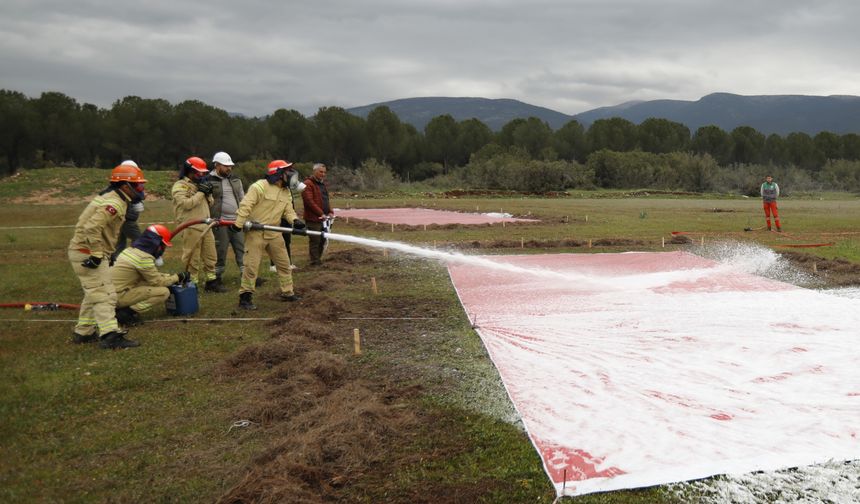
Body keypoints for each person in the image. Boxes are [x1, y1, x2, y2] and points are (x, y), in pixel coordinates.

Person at [68, 161, 145, 349]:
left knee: (93, 292)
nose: (141, 189)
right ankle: (110, 336)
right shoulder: (114, 202)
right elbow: (92, 227)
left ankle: (84, 332)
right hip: (87, 253)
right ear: (125, 185)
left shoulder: (113, 197)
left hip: (85, 251)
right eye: (138, 185)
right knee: (106, 294)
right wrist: (95, 254)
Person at [232, 160, 306, 310]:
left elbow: (288, 211)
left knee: (284, 264)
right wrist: (238, 224)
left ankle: (288, 292)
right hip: (255, 232)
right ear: (278, 173)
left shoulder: (286, 192)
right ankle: (245, 297)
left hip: (274, 232)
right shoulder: (259, 187)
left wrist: (295, 220)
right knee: (251, 266)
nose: (291, 175)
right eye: (287, 171)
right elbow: (246, 205)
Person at [112, 224, 190, 327]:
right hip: (117, 297)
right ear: (156, 243)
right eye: (162, 246)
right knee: (163, 292)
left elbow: (150, 276)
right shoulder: (143, 258)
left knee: (149, 283)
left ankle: (121, 308)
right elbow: (157, 282)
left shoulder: (131, 251)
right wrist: (178, 277)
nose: (162, 249)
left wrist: (169, 276)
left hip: (111, 293)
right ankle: (126, 313)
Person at [172, 156, 225, 292]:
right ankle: (192, 284)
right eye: (198, 172)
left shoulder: (199, 184)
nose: (201, 175)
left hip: (206, 225)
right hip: (191, 226)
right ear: (189, 171)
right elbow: (186, 204)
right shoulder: (180, 186)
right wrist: (201, 192)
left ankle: (211, 282)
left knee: (210, 255)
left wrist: (208, 193)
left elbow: (211, 203)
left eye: (203, 173)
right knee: (192, 258)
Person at [208, 151, 248, 283]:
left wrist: (244, 216)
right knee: (220, 251)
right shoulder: (208, 180)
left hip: (237, 221)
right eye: (225, 166)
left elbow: (243, 199)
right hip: (220, 223)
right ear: (217, 165)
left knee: (241, 249)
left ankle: (246, 276)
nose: (229, 168)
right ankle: (217, 278)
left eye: (230, 166)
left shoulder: (236, 179)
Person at [110, 160, 144, 265]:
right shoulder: (123, 187)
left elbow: (139, 193)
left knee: (119, 243)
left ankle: (114, 261)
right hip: (126, 220)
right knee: (139, 240)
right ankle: (134, 260)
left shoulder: (125, 184)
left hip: (123, 219)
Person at [301, 163, 334, 266]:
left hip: (324, 219)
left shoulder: (322, 184)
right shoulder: (308, 184)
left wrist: (330, 211)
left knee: (323, 240)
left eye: (324, 172)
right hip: (313, 219)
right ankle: (314, 261)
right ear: (314, 171)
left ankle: (317, 259)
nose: (323, 174)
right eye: (321, 172)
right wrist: (321, 213)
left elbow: (325, 200)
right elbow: (309, 201)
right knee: (315, 240)